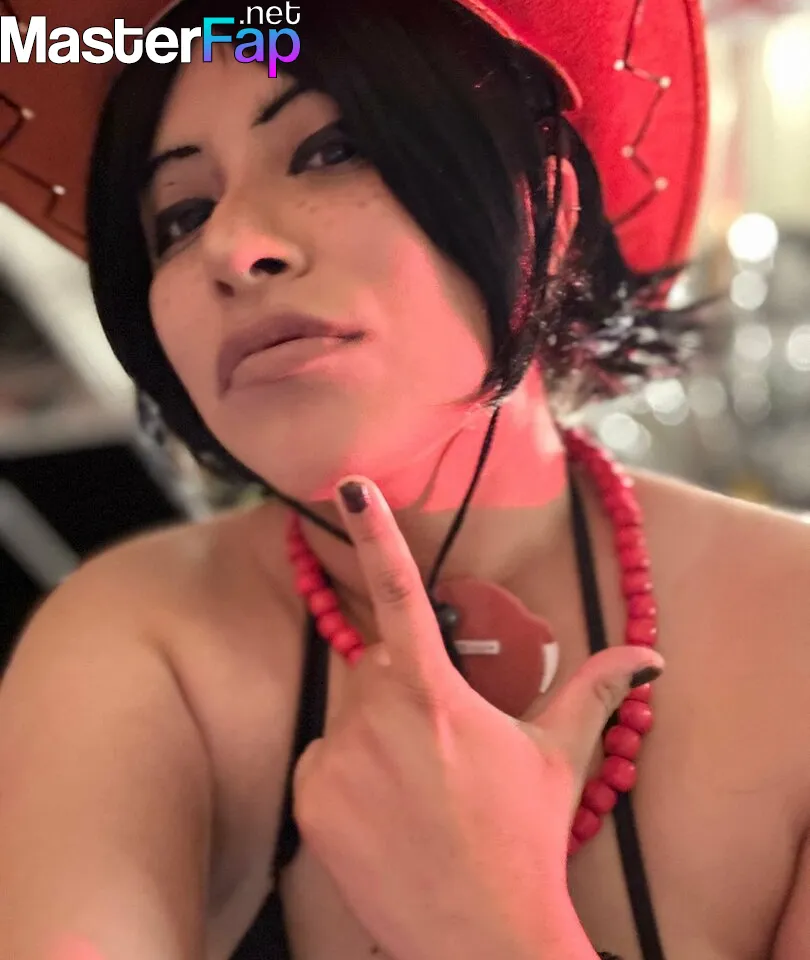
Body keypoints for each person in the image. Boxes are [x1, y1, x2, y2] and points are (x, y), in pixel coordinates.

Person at [0, 0, 808, 958]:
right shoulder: (131, 643)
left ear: (547, 206)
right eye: (180, 216)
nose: (230, 247)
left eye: (331, 150)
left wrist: (488, 923)